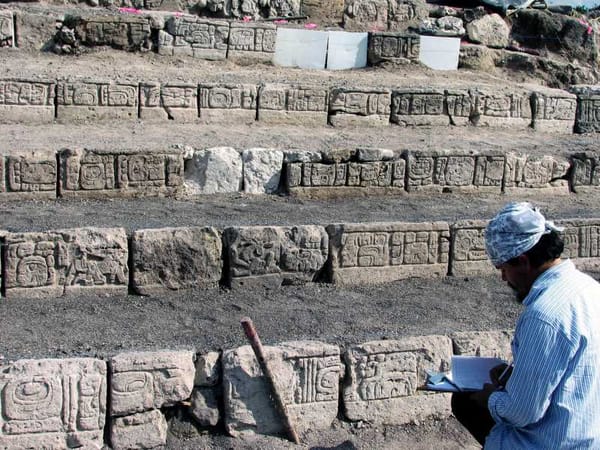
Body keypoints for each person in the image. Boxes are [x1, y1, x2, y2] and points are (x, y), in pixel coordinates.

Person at [451, 202, 600, 448]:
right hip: (590, 435)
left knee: (466, 399)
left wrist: (491, 397)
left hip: (555, 442)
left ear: (523, 261)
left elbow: (521, 414)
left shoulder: (544, 316)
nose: (503, 278)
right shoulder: (590, 288)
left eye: (504, 269)